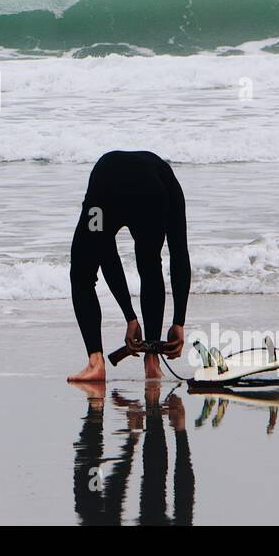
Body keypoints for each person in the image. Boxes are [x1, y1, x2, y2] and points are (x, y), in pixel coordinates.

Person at [67, 151, 191, 383]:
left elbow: (104, 249)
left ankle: (96, 363)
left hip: (106, 185)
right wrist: (178, 322)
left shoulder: (101, 185)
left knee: (82, 274)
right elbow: (179, 254)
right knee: (150, 264)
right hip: (156, 188)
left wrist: (130, 317)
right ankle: (152, 362)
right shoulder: (170, 182)